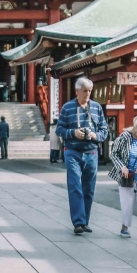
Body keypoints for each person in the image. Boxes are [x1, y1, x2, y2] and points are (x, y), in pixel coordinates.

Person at [56, 76, 109, 234]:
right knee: (75, 186)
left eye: (90, 91)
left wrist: (95, 136)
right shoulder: (67, 107)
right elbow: (59, 129)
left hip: (91, 151)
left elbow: (104, 130)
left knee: (89, 188)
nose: (87, 94)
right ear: (76, 91)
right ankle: (78, 222)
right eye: (84, 91)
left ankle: (85, 221)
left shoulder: (97, 107)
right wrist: (73, 133)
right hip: (72, 151)